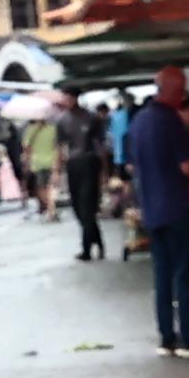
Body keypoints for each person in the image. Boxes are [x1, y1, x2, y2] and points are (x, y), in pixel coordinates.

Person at [127, 68, 189, 354]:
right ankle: (187, 338)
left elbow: (132, 165)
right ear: (174, 90)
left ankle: (166, 338)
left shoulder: (139, 121)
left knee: (162, 276)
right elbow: (186, 166)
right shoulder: (170, 121)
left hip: (151, 208)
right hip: (175, 206)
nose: (183, 95)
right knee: (185, 273)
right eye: (182, 89)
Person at [69, 101, 112, 261]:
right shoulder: (64, 121)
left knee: (88, 209)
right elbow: (60, 146)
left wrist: (104, 171)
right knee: (79, 209)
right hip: (74, 166)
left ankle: (87, 248)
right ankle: (97, 240)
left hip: (90, 165)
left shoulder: (92, 120)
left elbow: (100, 146)